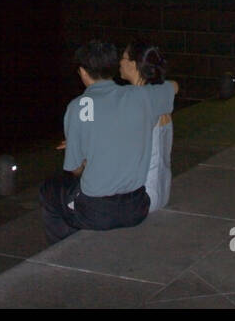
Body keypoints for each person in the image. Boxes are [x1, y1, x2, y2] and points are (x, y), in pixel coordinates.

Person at [41, 40, 177, 244]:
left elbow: (75, 169)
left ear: (83, 73)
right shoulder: (141, 96)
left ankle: (62, 248)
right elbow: (173, 87)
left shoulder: (79, 107)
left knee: (51, 190)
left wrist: (84, 152)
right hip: (137, 207)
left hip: (97, 211)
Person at [120, 41, 172, 211]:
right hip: (161, 190)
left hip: (142, 196)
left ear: (134, 64)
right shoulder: (158, 97)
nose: (120, 62)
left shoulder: (138, 102)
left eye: (123, 58)